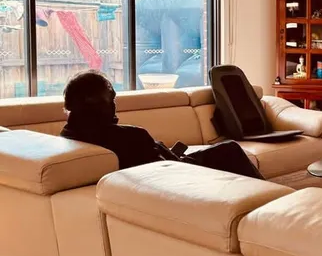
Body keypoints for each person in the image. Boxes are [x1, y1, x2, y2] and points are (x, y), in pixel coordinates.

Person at [60, 70, 263, 179]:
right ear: (95, 105)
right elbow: (170, 168)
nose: (114, 106)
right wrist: (170, 155)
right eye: (110, 100)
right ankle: (270, 203)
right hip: (176, 178)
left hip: (157, 175)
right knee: (230, 150)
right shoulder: (133, 136)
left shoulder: (67, 136)